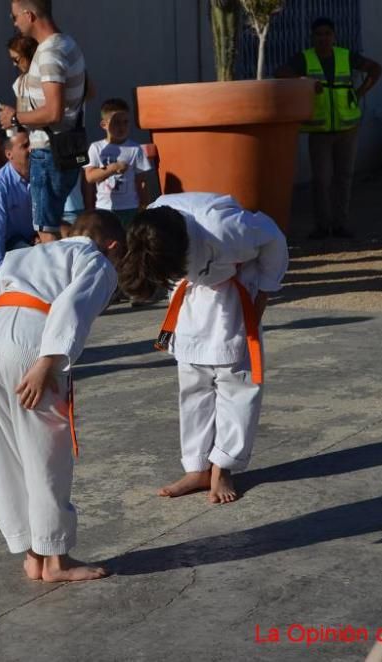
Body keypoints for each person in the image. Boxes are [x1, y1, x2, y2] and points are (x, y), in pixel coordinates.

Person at [0, 209, 125, 582]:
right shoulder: (94, 259)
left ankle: (31, 554)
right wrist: (48, 362)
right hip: (31, 343)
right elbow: (72, 307)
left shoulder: (23, 254)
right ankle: (56, 561)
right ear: (112, 245)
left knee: (6, 451)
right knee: (46, 452)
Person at [120, 193, 288, 504]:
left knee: (235, 383)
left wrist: (261, 298)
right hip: (192, 298)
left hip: (234, 293)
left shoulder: (228, 229)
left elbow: (273, 237)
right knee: (193, 383)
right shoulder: (151, 226)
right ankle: (197, 467)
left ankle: (222, 465)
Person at [275, 17, 382, 240]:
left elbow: (375, 68)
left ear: (333, 36)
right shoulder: (305, 58)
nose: (323, 38)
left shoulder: (345, 55)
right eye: (319, 34)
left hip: (347, 126)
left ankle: (340, 224)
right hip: (319, 129)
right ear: (312, 37)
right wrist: (303, 81)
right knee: (321, 179)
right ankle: (323, 226)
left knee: (344, 177)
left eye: (327, 34)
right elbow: (280, 73)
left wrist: (360, 92)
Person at [0, 0, 87, 245]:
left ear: (29, 15)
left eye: (15, 17)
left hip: (49, 153)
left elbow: (53, 112)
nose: (14, 23)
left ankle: (57, 282)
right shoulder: (68, 44)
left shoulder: (49, 52)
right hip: (67, 147)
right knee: (61, 222)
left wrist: (14, 117)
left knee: (47, 231)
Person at [83, 98, 152, 226]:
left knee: (129, 242)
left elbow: (141, 182)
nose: (122, 127)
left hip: (130, 208)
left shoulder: (135, 149)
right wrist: (112, 168)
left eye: (125, 122)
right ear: (104, 125)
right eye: (116, 123)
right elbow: (89, 178)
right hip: (104, 208)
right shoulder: (96, 148)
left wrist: (144, 206)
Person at [0, 128, 33, 272]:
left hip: (38, 238)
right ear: (9, 154)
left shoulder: (41, 172)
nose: (31, 149)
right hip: (13, 246)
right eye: (25, 146)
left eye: (31, 143)